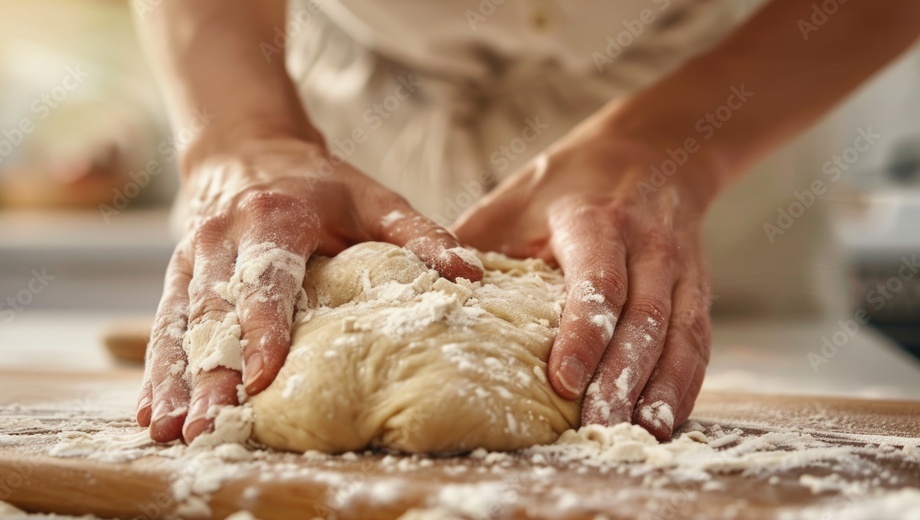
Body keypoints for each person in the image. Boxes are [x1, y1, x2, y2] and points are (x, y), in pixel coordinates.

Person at [131, 0, 920, 444]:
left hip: (723, 104)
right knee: (261, 356)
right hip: (343, 120)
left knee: (676, 386)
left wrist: (669, 146)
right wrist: (242, 138)